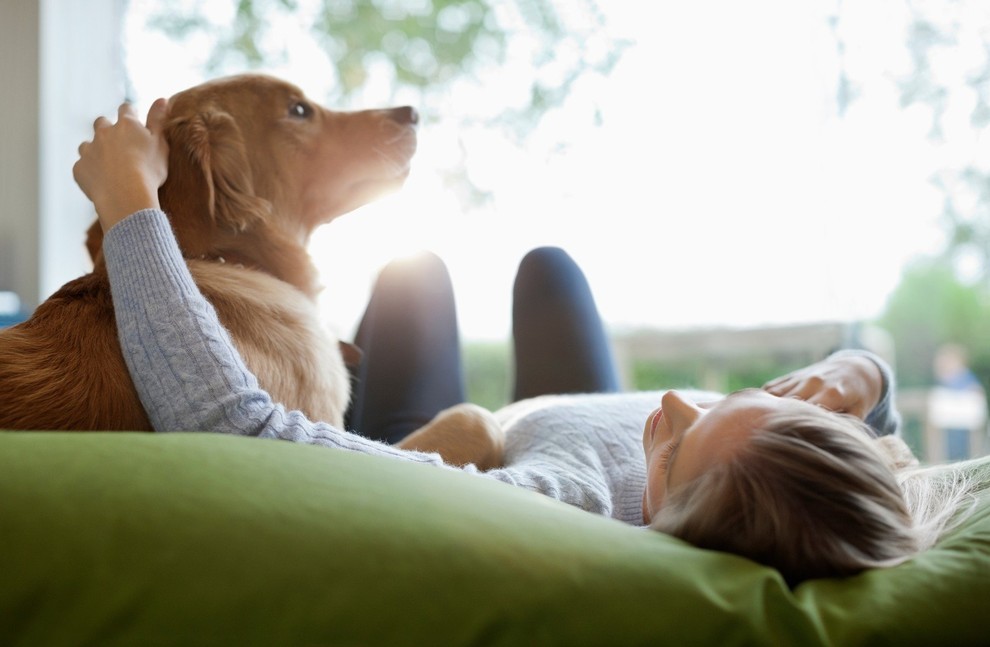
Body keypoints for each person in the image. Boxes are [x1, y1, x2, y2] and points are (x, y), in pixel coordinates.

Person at [74, 101, 973, 587]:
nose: (669, 404)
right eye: (745, 401)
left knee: (414, 275)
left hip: (480, 442)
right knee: (549, 267)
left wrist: (132, 207)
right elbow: (877, 426)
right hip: (566, 409)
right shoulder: (809, 472)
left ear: (661, 523)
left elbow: (238, 430)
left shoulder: (557, 505)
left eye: (678, 442)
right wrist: (857, 373)